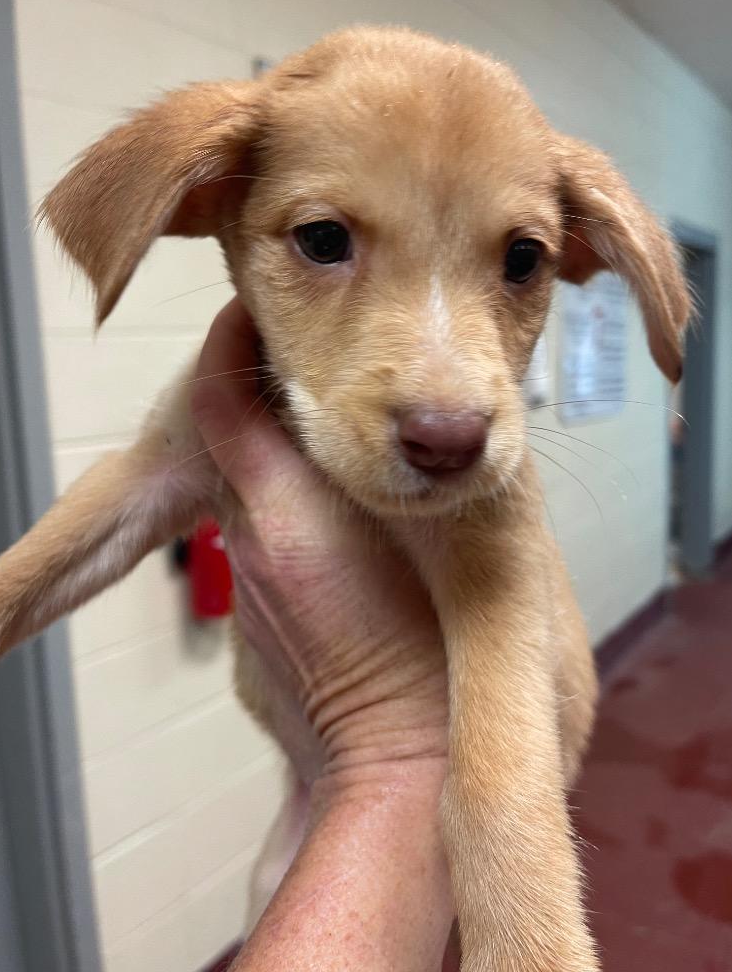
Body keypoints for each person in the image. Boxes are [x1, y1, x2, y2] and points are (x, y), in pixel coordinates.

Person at [192, 300, 458, 971]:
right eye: (325, 247)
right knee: (275, 876)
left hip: (371, 778)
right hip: (315, 779)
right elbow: (136, 484)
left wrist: (391, 747)